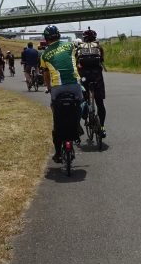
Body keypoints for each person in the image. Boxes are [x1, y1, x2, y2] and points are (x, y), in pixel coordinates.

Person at [40, 25, 83, 163]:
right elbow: (76, 62)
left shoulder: (45, 54)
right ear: (59, 35)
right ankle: (77, 124)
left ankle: (58, 153)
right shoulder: (70, 45)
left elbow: (46, 76)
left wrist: (49, 88)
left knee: (56, 117)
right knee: (80, 104)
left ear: (46, 39)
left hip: (57, 87)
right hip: (75, 85)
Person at [74, 27, 107, 137]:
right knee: (100, 103)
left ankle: (85, 115)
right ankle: (102, 127)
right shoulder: (98, 47)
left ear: (84, 38)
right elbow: (101, 61)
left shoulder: (79, 48)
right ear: (94, 38)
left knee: (83, 100)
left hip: (84, 76)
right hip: (97, 75)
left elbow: (76, 62)